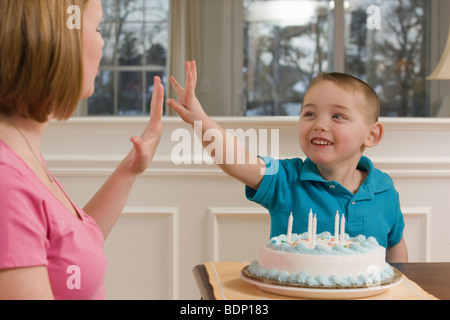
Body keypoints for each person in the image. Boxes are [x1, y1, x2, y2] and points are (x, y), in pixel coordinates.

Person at [0, 0, 164, 299]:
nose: (103, 41)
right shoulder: (6, 184)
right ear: (58, 40)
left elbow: (69, 249)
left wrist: (129, 172)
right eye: (98, 26)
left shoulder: (21, 151)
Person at [167, 61, 408, 263]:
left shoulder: (384, 188)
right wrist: (199, 118)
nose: (319, 124)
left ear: (372, 135)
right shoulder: (287, 178)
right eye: (309, 114)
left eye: (338, 116)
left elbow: (395, 246)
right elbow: (235, 160)